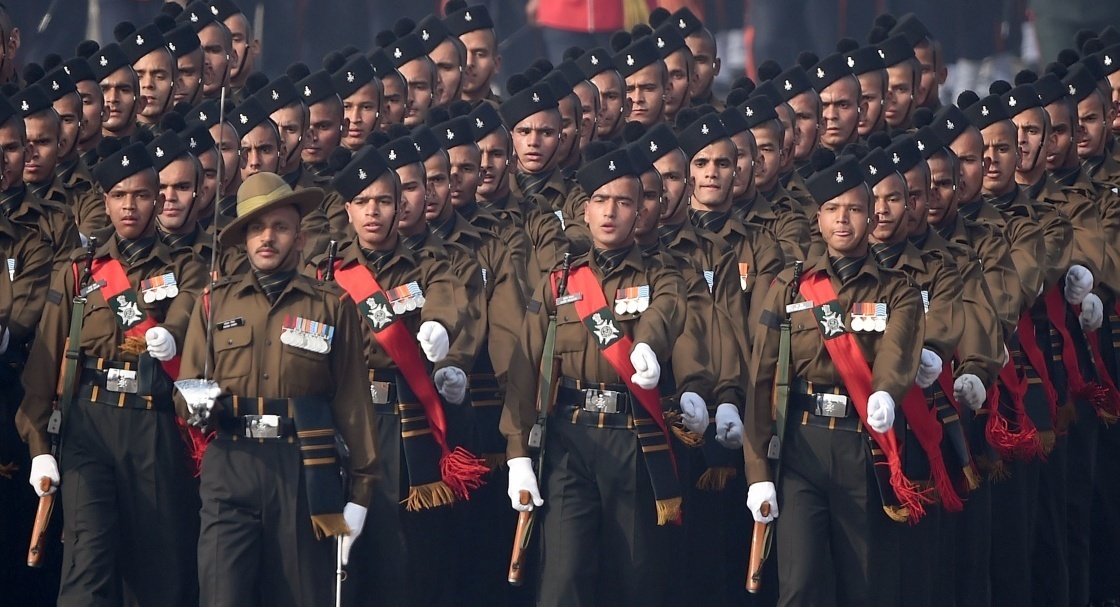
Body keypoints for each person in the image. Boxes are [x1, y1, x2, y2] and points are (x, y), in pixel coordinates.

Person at [17, 140, 205, 607]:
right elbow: (45, 360)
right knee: (87, 563)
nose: (129, 205)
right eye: (119, 195)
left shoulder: (185, 267)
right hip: (89, 427)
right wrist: (39, 446)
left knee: (156, 570)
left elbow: (185, 318)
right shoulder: (80, 272)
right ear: (104, 200)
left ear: (156, 200)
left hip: (153, 427)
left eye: (140, 195)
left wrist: (170, 335)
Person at [177, 171, 378, 607]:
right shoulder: (214, 301)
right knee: (221, 595)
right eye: (256, 228)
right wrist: (196, 400)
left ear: (300, 238)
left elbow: (352, 402)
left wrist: (360, 493)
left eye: (280, 227)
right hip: (230, 460)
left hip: (302, 467)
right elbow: (188, 380)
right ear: (243, 239)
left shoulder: (331, 305)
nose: (267, 238)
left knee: (300, 595)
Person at [502, 141, 687, 606]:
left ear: (641, 210)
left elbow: (667, 310)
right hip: (568, 441)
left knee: (635, 578)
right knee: (563, 579)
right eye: (601, 201)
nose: (611, 213)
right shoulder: (561, 282)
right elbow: (527, 366)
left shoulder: (662, 273)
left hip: (631, 437)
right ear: (584, 211)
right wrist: (518, 454)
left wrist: (645, 344)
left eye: (623, 202)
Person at [745, 150, 925, 606]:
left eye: (854, 209)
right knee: (801, 584)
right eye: (832, 209)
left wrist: (885, 391)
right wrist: (757, 471)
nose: (843, 220)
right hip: (801, 447)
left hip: (863, 446)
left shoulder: (895, 288)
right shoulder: (788, 287)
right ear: (818, 218)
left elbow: (898, 348)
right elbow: (761, 378)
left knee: (866, 586)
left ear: (871, 217)